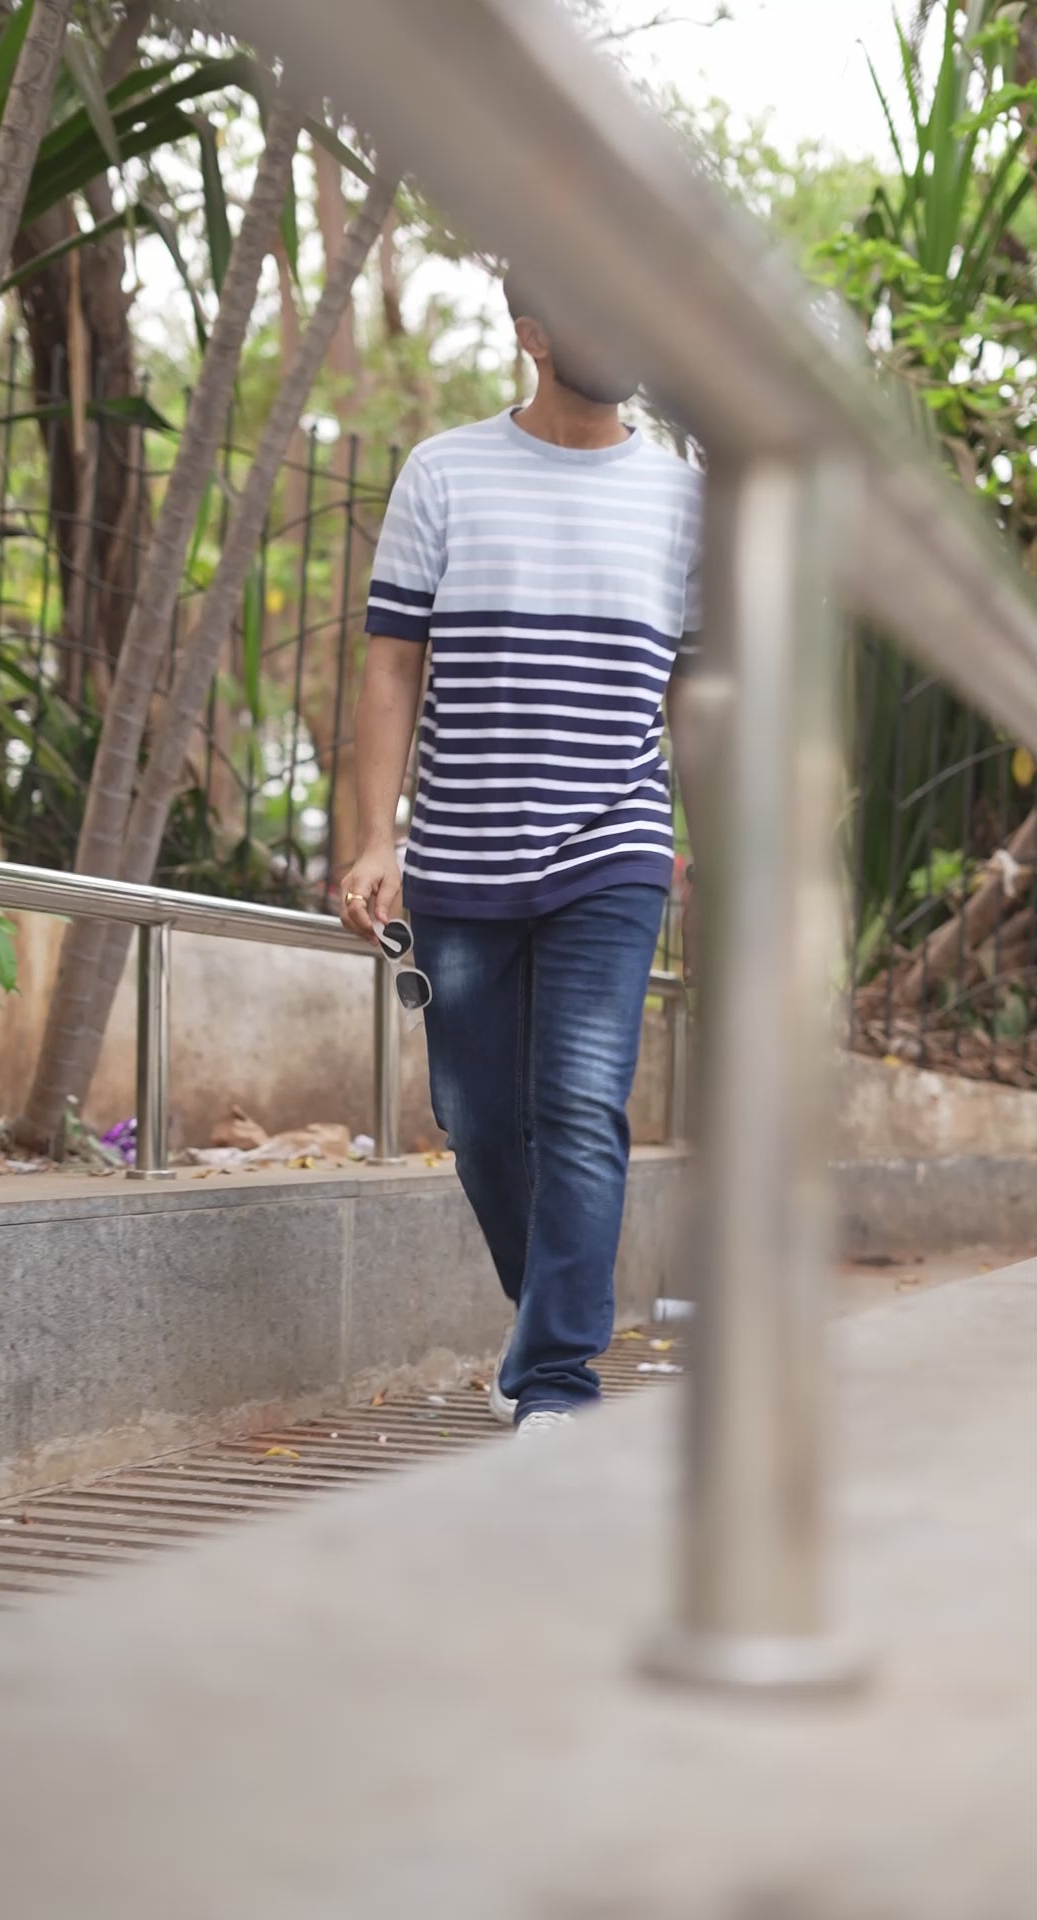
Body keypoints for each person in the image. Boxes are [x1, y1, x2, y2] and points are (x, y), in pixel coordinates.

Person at [341, 275, 702, 1436]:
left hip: (616, 840)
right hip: (460, 847)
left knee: (584, 1101)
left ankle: (555, 1379)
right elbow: (393, 661)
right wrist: (370, 836)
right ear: (535, 337)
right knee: (480, 1118)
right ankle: (545, 1317)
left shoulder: (687, 502)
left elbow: (698, 695)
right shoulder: (445, 472)